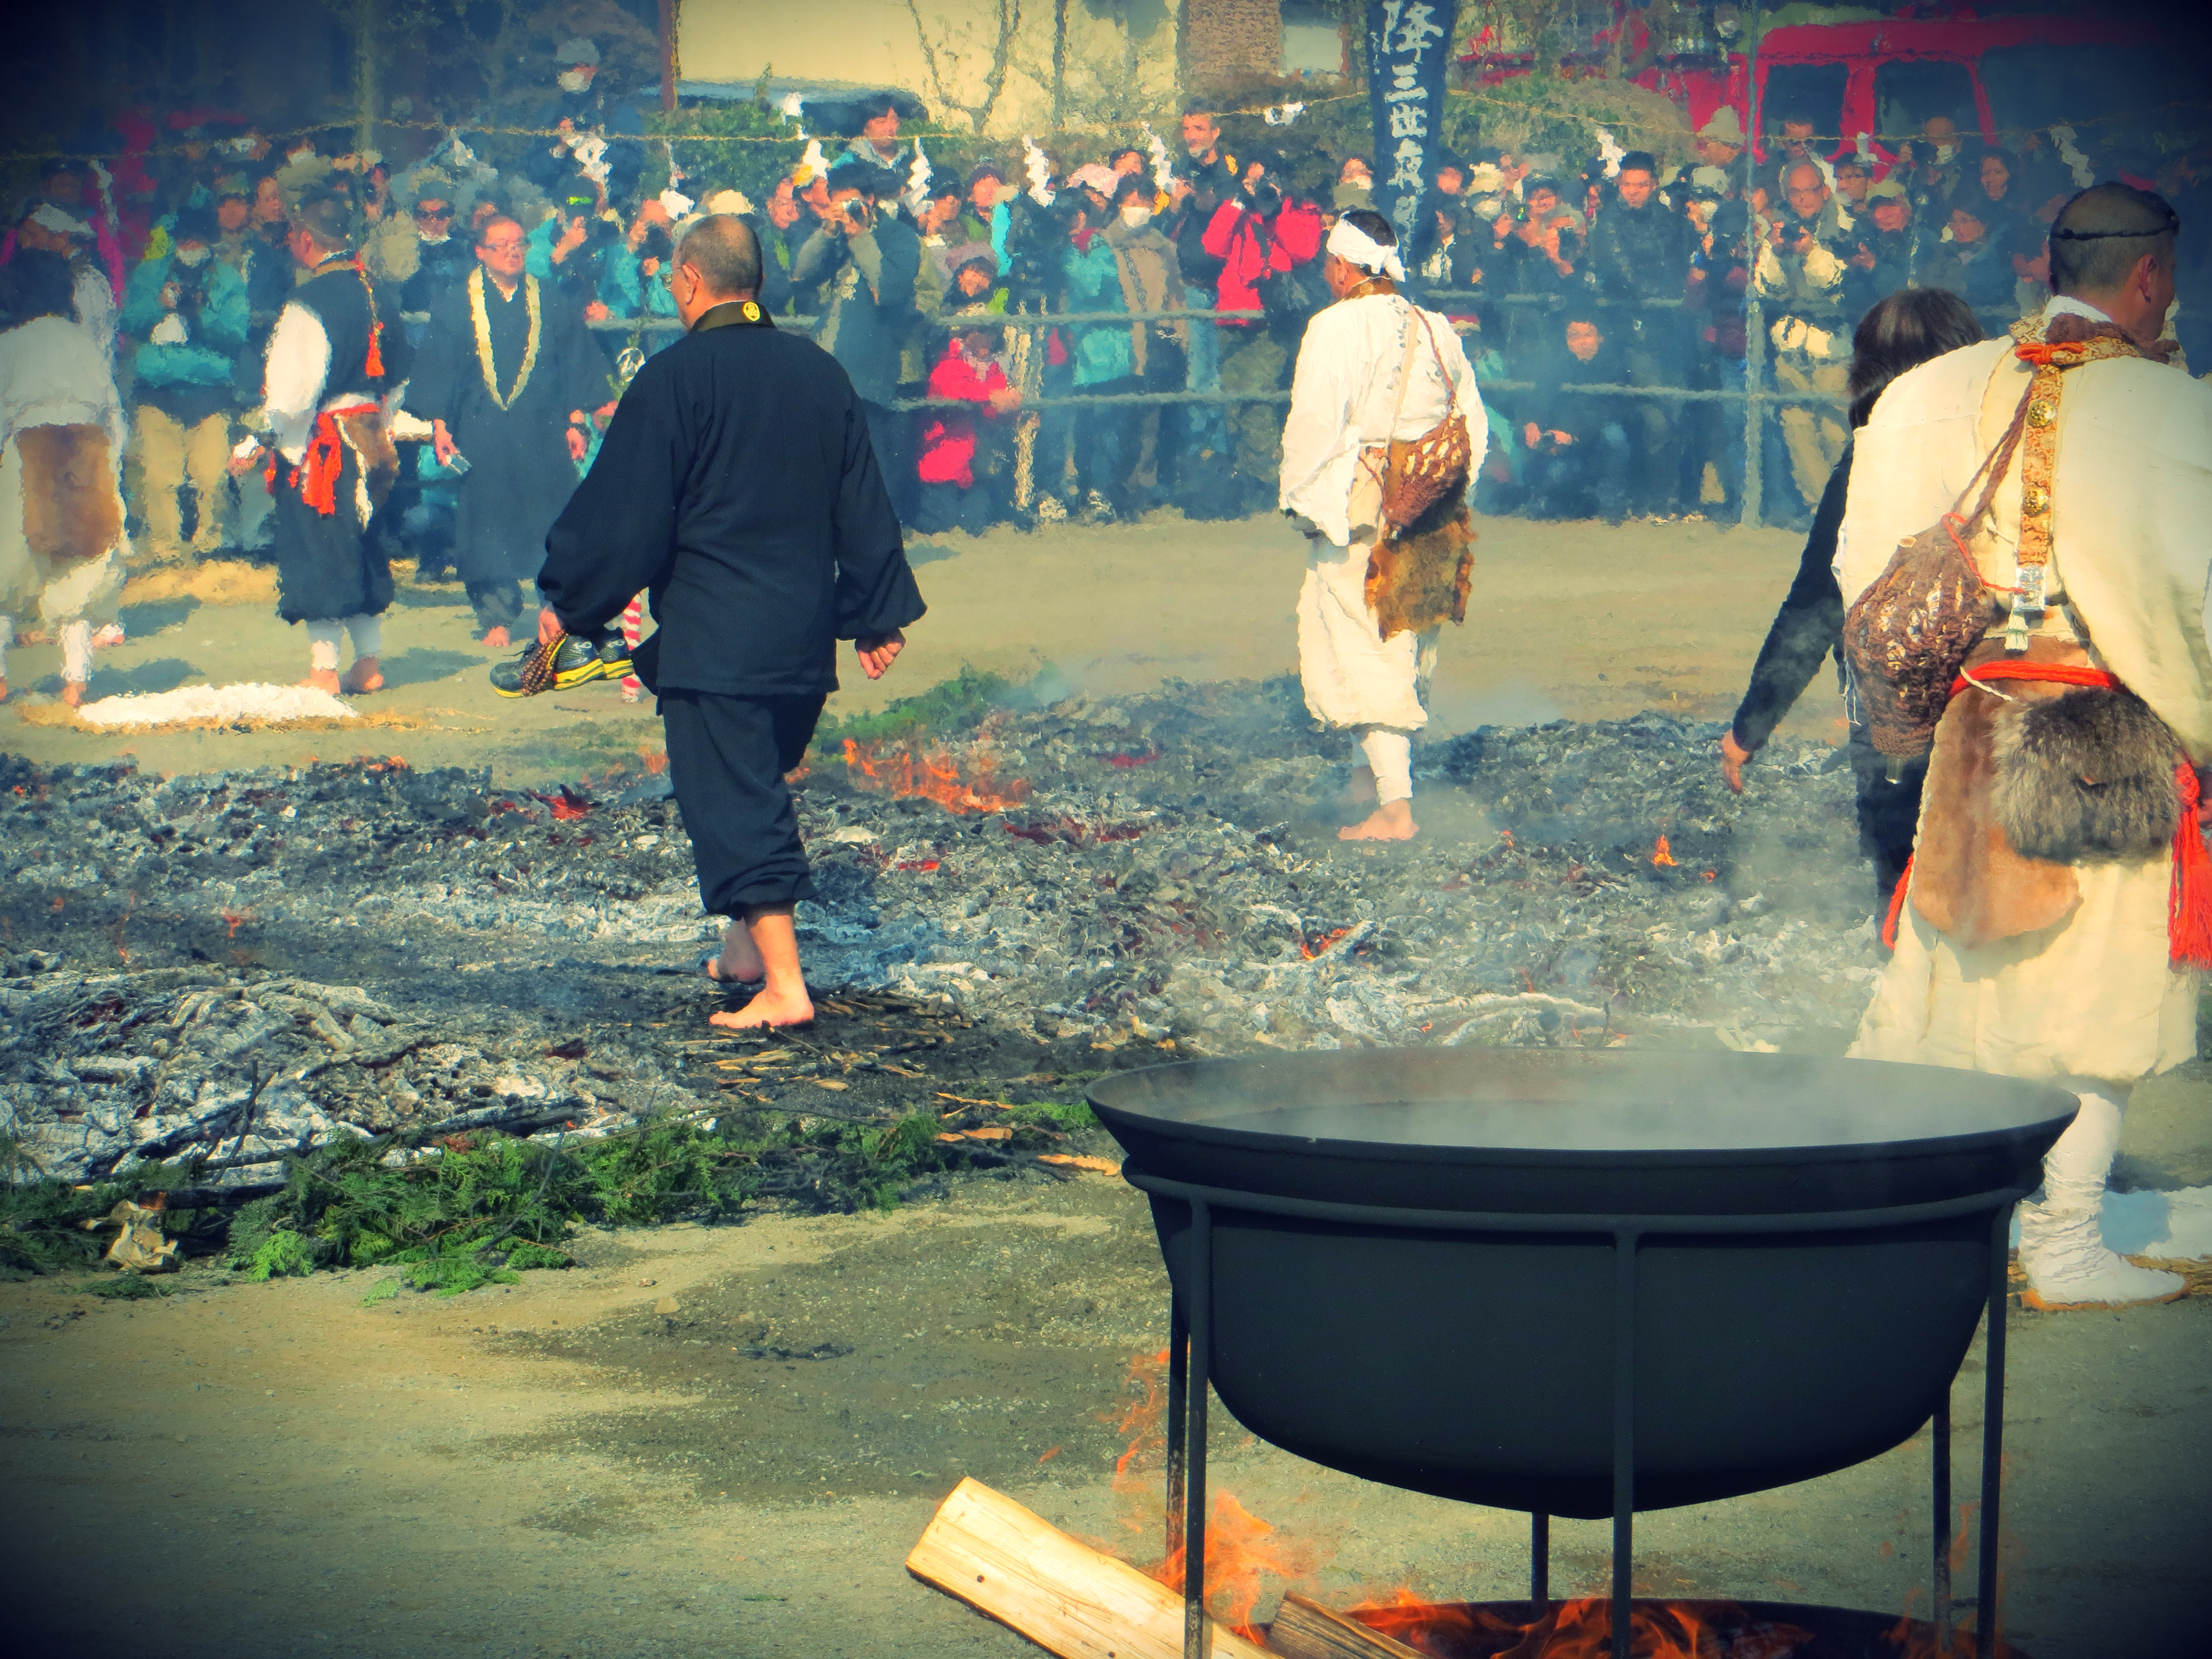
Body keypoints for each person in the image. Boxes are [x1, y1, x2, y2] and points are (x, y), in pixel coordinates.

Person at [1838, 183, 2211, 1311]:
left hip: (1970, 724)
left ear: (2050, 265)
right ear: (2149, 275)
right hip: (2103, 736)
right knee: (2101, 1003)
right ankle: (2060, 1246)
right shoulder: (2163, 408)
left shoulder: (1937, 387)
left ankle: (1941, 1221)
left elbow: (1862, 566)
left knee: (1961, 984)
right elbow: (2195, 597)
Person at [534, 215, 925, 1031]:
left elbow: (625, 513)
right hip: (799, 638)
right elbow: (862, 499)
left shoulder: (675, 378)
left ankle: (784, 989)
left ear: (688, 279)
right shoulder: (819, 371)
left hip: (717, 640)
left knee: (737, 804)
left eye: (672, 279)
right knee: (749, 786)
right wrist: (876, 612)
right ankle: (746, 954)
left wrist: (570, 601)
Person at [1718, 289, 1984, 923]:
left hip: (1895, 714)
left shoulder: (1870, 461)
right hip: (1998, 696)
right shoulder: (2009, 449)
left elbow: (1817, 605)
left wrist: (1749, 726)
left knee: (1905, 881)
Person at [1279, 210, 1482, 843]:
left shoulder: (1333, 327)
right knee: (1403, 638)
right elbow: (1471, 420)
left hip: (1367, 501)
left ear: (1342, 268)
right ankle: (1368, 779)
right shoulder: (1435, 325)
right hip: (1432, 500)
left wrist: (1302, 500)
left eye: (1328, 264)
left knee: (1365, 641)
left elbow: (1315, 421)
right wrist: (1450, 494)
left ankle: (1396, 809)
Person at [227, 184, 410, 694]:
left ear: (305, 239)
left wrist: (256, 440)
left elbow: (293, 392)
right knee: (364, 546)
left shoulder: (307, 302)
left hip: (322, 448)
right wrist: (381, 421)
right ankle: (368, 665)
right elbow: (399, 377)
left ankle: (325, 670)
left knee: (320, 548)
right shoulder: (379, 293)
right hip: (371, 440)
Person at [408, 213, 608, 646]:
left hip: (542, 425)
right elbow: (440, 366)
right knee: (486, 519)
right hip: (480, 426)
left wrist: (576, 420)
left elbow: (573, 360)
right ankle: (496, 615)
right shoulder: (456, 302)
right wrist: (441, 426)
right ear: (480, 251)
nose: (513, 252)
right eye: (501, 245)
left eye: (519, 243)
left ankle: (554, 607)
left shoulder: (549, 298)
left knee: (552, 515)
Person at [0, 249, 128, 706]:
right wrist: (112, 462)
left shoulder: (12, 343)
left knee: (7, 567)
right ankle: (77, 679)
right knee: (80, 563)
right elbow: (112, 409)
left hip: (27, 449)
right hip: (85, 449)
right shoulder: (82, 344)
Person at [791, 159, 923, 523]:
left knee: (869, 465)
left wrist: (861, 237)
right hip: (824, 364)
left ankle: (873, 537)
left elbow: (891, 292)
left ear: (869, 200)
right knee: (822, 463)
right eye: (839, 202)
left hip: (869, 367)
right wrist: (827, 231)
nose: (847, 210)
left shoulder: (897, 237)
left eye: (852, 202)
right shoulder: (833, 237)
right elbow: (800, 274)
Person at [121, 206, 251, 561]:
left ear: (210, 241)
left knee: (212, 475)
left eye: (198, 240)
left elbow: (236, 334)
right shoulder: (150, 274)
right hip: (157, 386)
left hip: (210, 389)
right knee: (159, 475)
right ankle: (164, 545)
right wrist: (158, 305)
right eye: (185, 240)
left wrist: (201, 312)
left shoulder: (227, 279)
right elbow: (129, 320)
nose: (191, 246)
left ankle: (214, 541)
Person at [1585, 152, 1691, 517]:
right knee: (1654, 415)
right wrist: (1658, 297)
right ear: (1619, 185)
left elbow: (1679, 264)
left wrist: (1673, 296)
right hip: (1631, 330)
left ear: (1654, 185)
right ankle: (1655, 496)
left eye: (1641, 185)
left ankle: (1668, 496)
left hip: (1671, 330)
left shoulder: (1670, 221)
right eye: (1627, 184)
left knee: (1675, 412)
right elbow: (1620, 271)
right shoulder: (1608, 223)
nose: (1633, 191)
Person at [1753, 162, 1851, 523]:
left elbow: (1835, 287)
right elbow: (1768, 289)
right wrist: (1777, 253)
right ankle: (1818, 510)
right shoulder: (1779, 233)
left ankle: (1844, 508)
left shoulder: (1844, 229)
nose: (1802, 199)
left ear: (1824, 191)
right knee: (1797, 430)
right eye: (1794, 192)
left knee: (1835, 430)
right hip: (1792, 351)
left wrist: (1811, 252)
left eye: (1809, 190)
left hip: (1833, 349)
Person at [1520, 315, 1630, 522]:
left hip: (1596, 434)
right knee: (1558, 475)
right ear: (1567, 340)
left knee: (1615, 437)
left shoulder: (1614, 366)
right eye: (1574, 336)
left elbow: (1610, 411)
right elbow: (1539, 397)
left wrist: (1574, 436)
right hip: (1564, 437)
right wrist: (1532, 423)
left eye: (1588, 335)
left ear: (1601, 338)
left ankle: (1611, 500)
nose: (1582, 342)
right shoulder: (1556, 365)